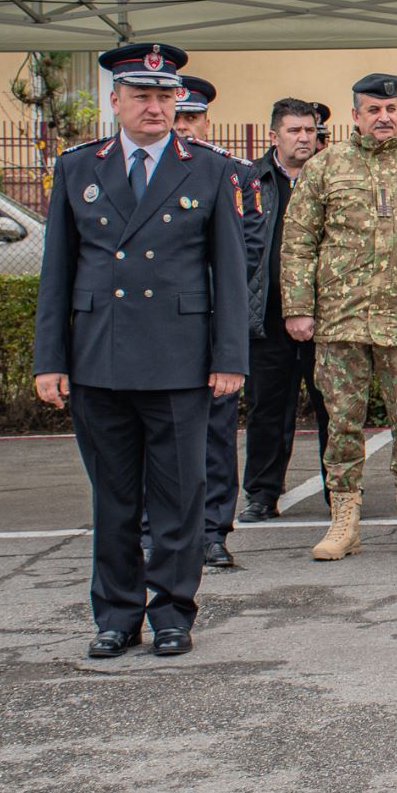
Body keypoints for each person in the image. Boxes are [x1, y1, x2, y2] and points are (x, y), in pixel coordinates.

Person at [32, 42, 249, 659]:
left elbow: (228, 273)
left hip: (179, 358)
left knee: (179, 498)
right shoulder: (78, 168)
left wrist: (229, 357)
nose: (156, 107)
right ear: (116, 101)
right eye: (142, 96)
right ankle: (117, 615)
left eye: (165, 95)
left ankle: (173, 612)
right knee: (115, 499)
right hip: (99, 356)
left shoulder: (207, 168)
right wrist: (50, 359)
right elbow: (58, 272)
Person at [280, 73, 397, 561]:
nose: (383, 118)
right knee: (342, 420)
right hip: (340, 320)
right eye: (373, 110)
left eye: (391, 109)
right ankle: (344, 520)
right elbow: (298, 242)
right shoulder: (325, 167)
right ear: (355, 116)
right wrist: (299, 307)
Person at [160, 74, 267, 570]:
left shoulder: (231, 173)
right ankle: (150, 530)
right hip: (154, 328)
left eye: (191, 117)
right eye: (177, 116)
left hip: (209, 325)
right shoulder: (132, 170)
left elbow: (247, 247)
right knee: (149, 436)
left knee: (216, 434)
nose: (184, 126)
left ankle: (211, 532)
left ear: (206, 119)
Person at [240, 98, 330, 522]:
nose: (304, 138)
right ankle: (261, 492)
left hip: (327, 317)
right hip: (268, 318)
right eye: (294, 131)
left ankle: (340, 491)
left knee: (334, 406)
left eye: (309, 130)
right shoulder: (248, 182)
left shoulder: (333, 178)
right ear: (274, 135)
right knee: (267, 409)